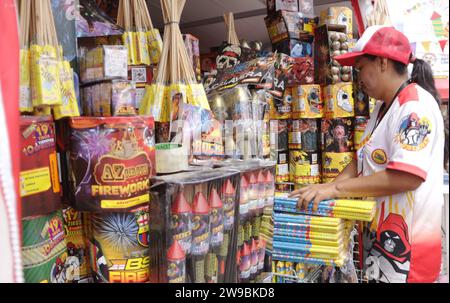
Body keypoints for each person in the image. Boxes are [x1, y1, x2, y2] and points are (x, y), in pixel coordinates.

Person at [290, 26, 444, 283]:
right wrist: (326, 188)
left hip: (407, 261)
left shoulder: (414, 107)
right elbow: (361, 161)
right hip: (380, 248)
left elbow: (406, 177)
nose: (358, 77)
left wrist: (335, 191)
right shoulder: (383, 109)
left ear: (383, 62)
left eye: (361, 67)